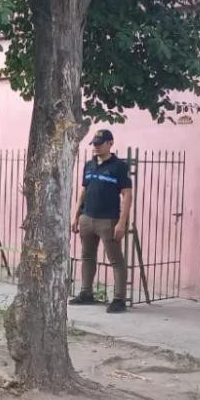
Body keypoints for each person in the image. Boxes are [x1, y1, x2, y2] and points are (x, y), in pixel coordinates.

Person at [70, 129, 132, 313]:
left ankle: (119, 299)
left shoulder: (119, 166)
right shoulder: (89, 165)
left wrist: (121, 222)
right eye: (94, 144)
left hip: (108, 220)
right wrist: (76, 215)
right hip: (87, 218)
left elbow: (127, 195)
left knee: (116, 260)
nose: (96, 147)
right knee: (87, 256)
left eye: (100, 143)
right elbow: (83, 191)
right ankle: (86, 293)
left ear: (110, 143)